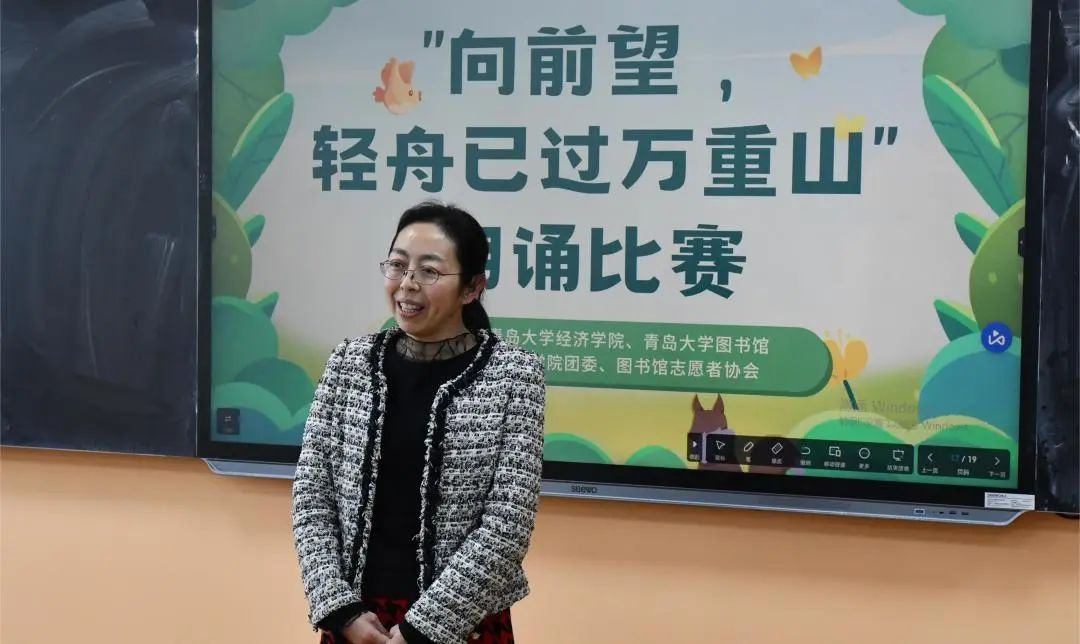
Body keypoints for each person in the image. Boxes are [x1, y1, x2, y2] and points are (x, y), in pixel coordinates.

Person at [292, 201, 546, 644]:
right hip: (356, 621)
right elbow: (312, 495)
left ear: (472, 288)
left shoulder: (514, 375)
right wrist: (340, 609)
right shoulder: (348, 363)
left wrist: (423, 629)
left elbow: (508, 521)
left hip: (464, 622)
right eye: (398, 265)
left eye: (429, 271)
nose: (407, 283)